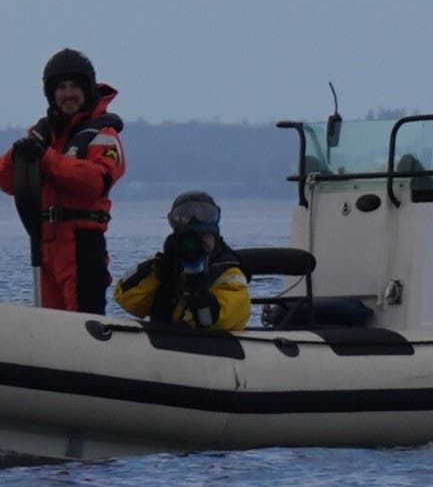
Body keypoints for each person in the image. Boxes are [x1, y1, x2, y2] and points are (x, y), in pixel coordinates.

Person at [0, 48, 125, 313]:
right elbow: (7, 182)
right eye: (61, 87)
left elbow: (93, 183)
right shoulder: (43, 135)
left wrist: (46, 159)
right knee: (51, 325)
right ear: (51, 93)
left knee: (82, 320)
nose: (68, 94)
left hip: (82, 243)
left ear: (87, 90)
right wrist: (20, 155)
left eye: (74, 87)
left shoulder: (104, 135)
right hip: (47, 243)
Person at [113, 191, 249, 331]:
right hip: (162, 343)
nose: (197, 247)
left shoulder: (229, 274)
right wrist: (157, 271)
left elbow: (216, 321)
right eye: (191, 242)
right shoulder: (163, 265)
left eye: (204, 237)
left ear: (215, 237)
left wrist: (198, 289)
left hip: (204, 347)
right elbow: (127, 300)